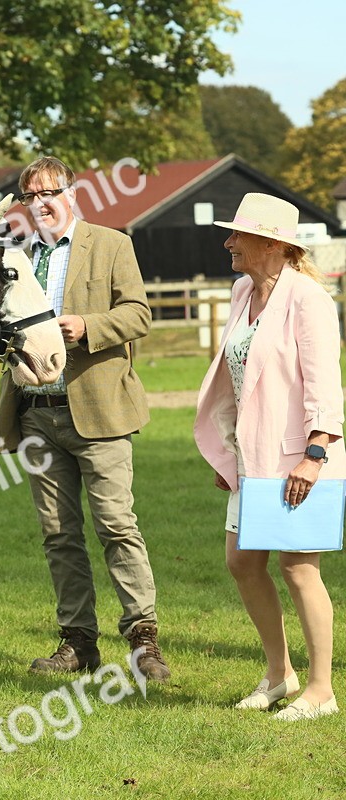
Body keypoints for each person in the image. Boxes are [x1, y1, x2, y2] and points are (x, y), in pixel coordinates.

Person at [0, 156, 169, 681]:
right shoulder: (15, 256)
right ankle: (78, 644)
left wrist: (86, 326)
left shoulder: (112, 244)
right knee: (59, 534)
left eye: (51, 192)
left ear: (73, 193)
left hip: (101, 411)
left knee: (117, 525)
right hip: (35, 415)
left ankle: (143, 642)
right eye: (30, 196)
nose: (41, 203)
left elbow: (139, 314)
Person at [194, 193, 344, 721]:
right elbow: (237, 380)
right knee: (242, 562)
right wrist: (226, 448)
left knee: (299, 569)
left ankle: (322, 690)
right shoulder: (241, 291)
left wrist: (315, 453)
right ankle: (279, 675)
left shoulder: (308, 299)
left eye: (238, 234)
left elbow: (326, 384)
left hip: (300, 459)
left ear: (274, 243)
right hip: (249, 458)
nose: (228, 242)